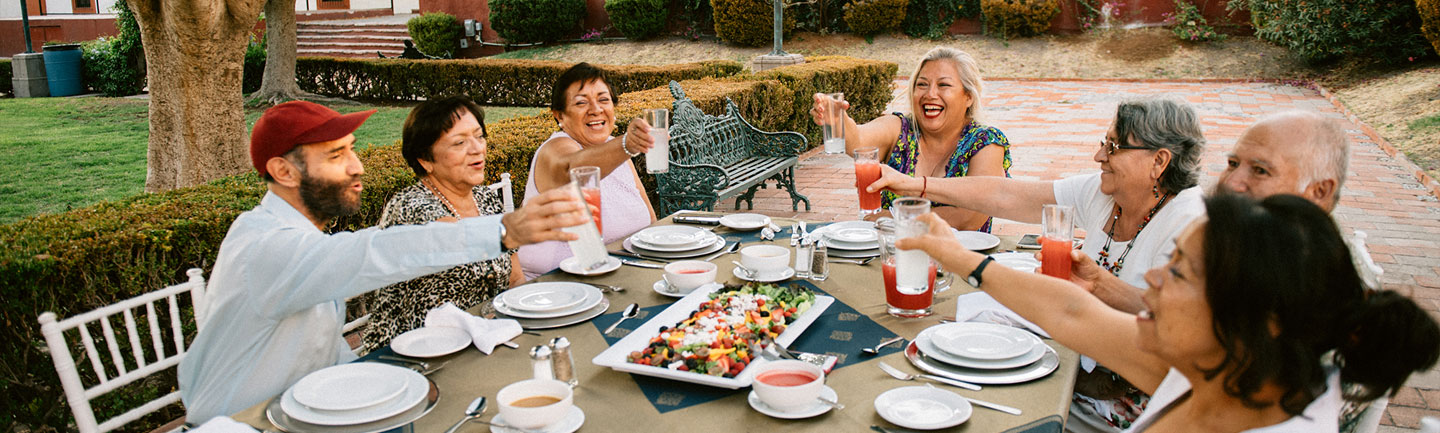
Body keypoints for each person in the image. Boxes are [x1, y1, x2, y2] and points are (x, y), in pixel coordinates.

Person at [177, 101, 588, 423]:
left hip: (307, 411)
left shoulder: (300, 239)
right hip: (241, 422)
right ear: (283, 171)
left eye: (352, 151)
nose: (358, 167)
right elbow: (374, 252)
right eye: (337, 155)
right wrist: (501, 231)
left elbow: (318, 348)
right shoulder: (264, 246)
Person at [899, 194, 1440, 432]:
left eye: (1179, 271)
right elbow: (1073, 312)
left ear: (1263, 316)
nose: (1154, 276)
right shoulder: (1225, 371)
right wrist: (955, 255)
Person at [866, 97, 1207, 431]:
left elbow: (1174, 328)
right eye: (1104, 143)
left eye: (1114, 147)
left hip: (1133, 403)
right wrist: (916, 184)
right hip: (1078, 365)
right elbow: (1006, 195)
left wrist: (1102, 285)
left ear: (1159, 161)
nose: (1099, 155)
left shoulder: (1191, 224)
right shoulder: (1107, 194)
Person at [358, 96, 522, 353]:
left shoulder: (485, 199)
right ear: (425, 160)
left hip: (480, 343)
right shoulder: (411, 207)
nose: (477, 148)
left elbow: (515, 279)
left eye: (479, 136)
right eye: (459, 142)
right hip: (412, 354)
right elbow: (453, 235)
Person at [810, 47, 1012, 231]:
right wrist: (838, 119)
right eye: (922, 84)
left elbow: (969, 217)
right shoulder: (900, 129)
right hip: (895, 257)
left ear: (968, 96)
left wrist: (891, 217)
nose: (930, 94)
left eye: (944, 85)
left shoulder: (986, 143)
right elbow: (859, 141)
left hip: (958, 264)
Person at [1211, 110, 1382, 290]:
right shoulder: (1236, 249)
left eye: (1260, 170)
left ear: (1319, 192)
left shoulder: (1314, 291)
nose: (1231, 183)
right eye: (1233, 164)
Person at [518, 62, 658, 279]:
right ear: (560, 116)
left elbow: (650, 221)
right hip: (554, 287)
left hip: (620, 276)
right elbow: (572, 170)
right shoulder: (555, 149)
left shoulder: (616, 150)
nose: (596, 109)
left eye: (603, 99)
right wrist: (628, 144)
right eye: (581, 103)